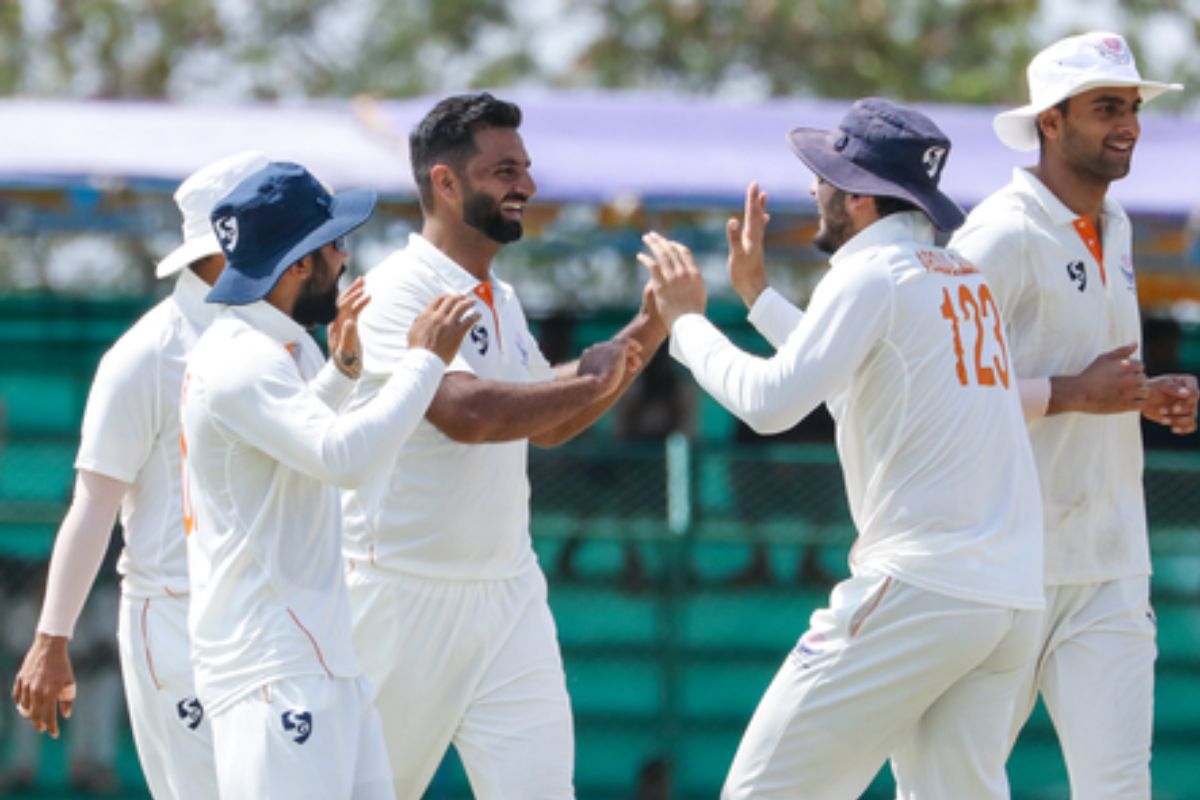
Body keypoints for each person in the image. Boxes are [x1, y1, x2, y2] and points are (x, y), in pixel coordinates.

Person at [639, 98, 1045, 799]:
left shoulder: (869, 274)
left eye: (823, 177)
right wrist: (759, 298)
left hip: (923, 587)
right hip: (1006, 599)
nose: (812, 189)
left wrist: (686, 324)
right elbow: (852, 379)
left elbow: (771, 404)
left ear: (858, 196)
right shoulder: (958, 277)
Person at [340, 92, 665, 799]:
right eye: (504, 171)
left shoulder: (501, 297)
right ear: (445, 182)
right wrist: (594, 380)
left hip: (508, 593)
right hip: (401, 594)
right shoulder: (396, 290)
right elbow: (469, 413)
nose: (527, 185)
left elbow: (544, 422)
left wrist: (651, 325)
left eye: (525, 167)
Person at [950, 31, 1199, 797]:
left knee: (1119, 786)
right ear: (1050, 122)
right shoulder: (997, 234)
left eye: (1132, 108)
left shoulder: (1115, 223)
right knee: (950, 784)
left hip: (1110, 564)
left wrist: (1147, 394)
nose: (1128, 125)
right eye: (1106, 108)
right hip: (1000, 568)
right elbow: (934, 392)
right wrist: (1071, 393)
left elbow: (1087, 370)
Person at [181, 161, 477, 799]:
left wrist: (340, 375)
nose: (345, 256)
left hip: (319, 662)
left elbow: (289, 451)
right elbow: (342, 460)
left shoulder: (276, 346)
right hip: (272, 670)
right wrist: (426, 360)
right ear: (297, 265)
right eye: (335, 242)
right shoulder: (241, 358)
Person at [10, 151, 270, 799]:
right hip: (178, 620)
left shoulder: (283, 338)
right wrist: (51, 638)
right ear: (228, 245)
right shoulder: (147, 354)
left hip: (270, 615)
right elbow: (94, 504)